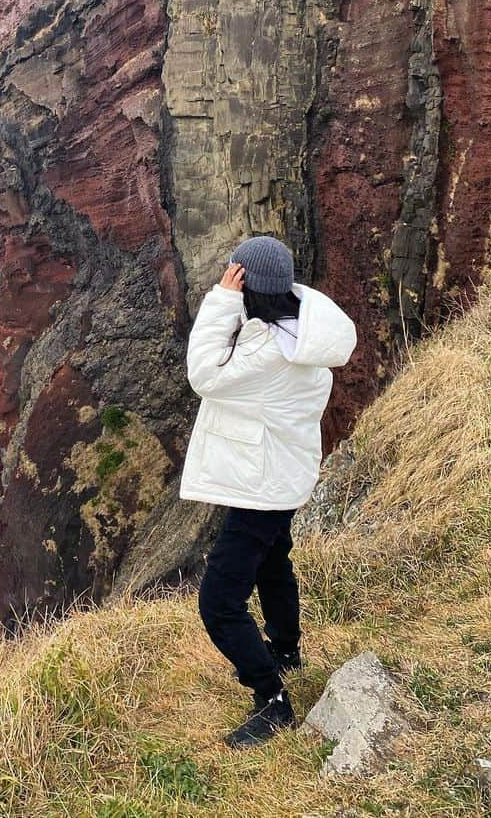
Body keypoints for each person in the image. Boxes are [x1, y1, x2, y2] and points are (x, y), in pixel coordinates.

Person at [179, 235, 357, 748]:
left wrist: (222, 300)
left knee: (219, 602)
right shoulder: (303, 331)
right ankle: (285, 649)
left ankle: (271, 698)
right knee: (274, 562)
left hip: (262, 487)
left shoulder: (268, 355)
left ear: (249, 289)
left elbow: (204, 374)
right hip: (283, 475)